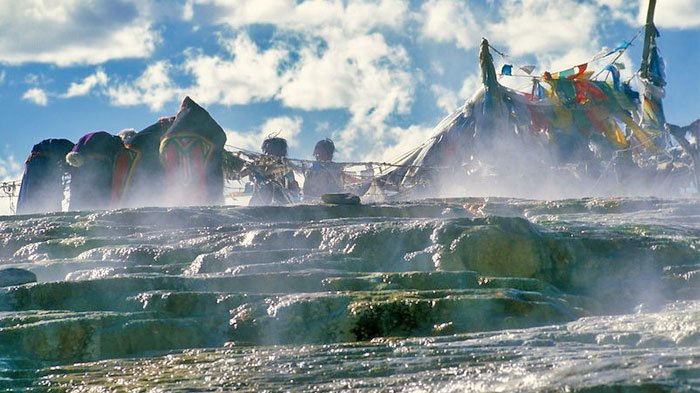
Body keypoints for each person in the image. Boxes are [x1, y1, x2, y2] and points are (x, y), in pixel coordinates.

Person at [65, 131, 126, 211]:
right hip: (99, 163)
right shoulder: (114, 139)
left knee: (78, 194)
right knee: (101, 193)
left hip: (78, 163)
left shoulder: (87, 137)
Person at [16, 138, 74, 214]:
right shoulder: (72, 149)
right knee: (42, 191)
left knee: (30, 193)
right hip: (42, 163)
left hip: (36, 161)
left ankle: (27, 211)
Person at [245, 136, 300, 206]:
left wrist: (294, 188)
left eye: (271, 151)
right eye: (266, 151)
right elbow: (238, 175)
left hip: (280, 205)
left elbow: (294, 188)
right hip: (257, 203)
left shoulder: (286, 168)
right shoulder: (258, 165)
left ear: (279, 153)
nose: (268, 154)